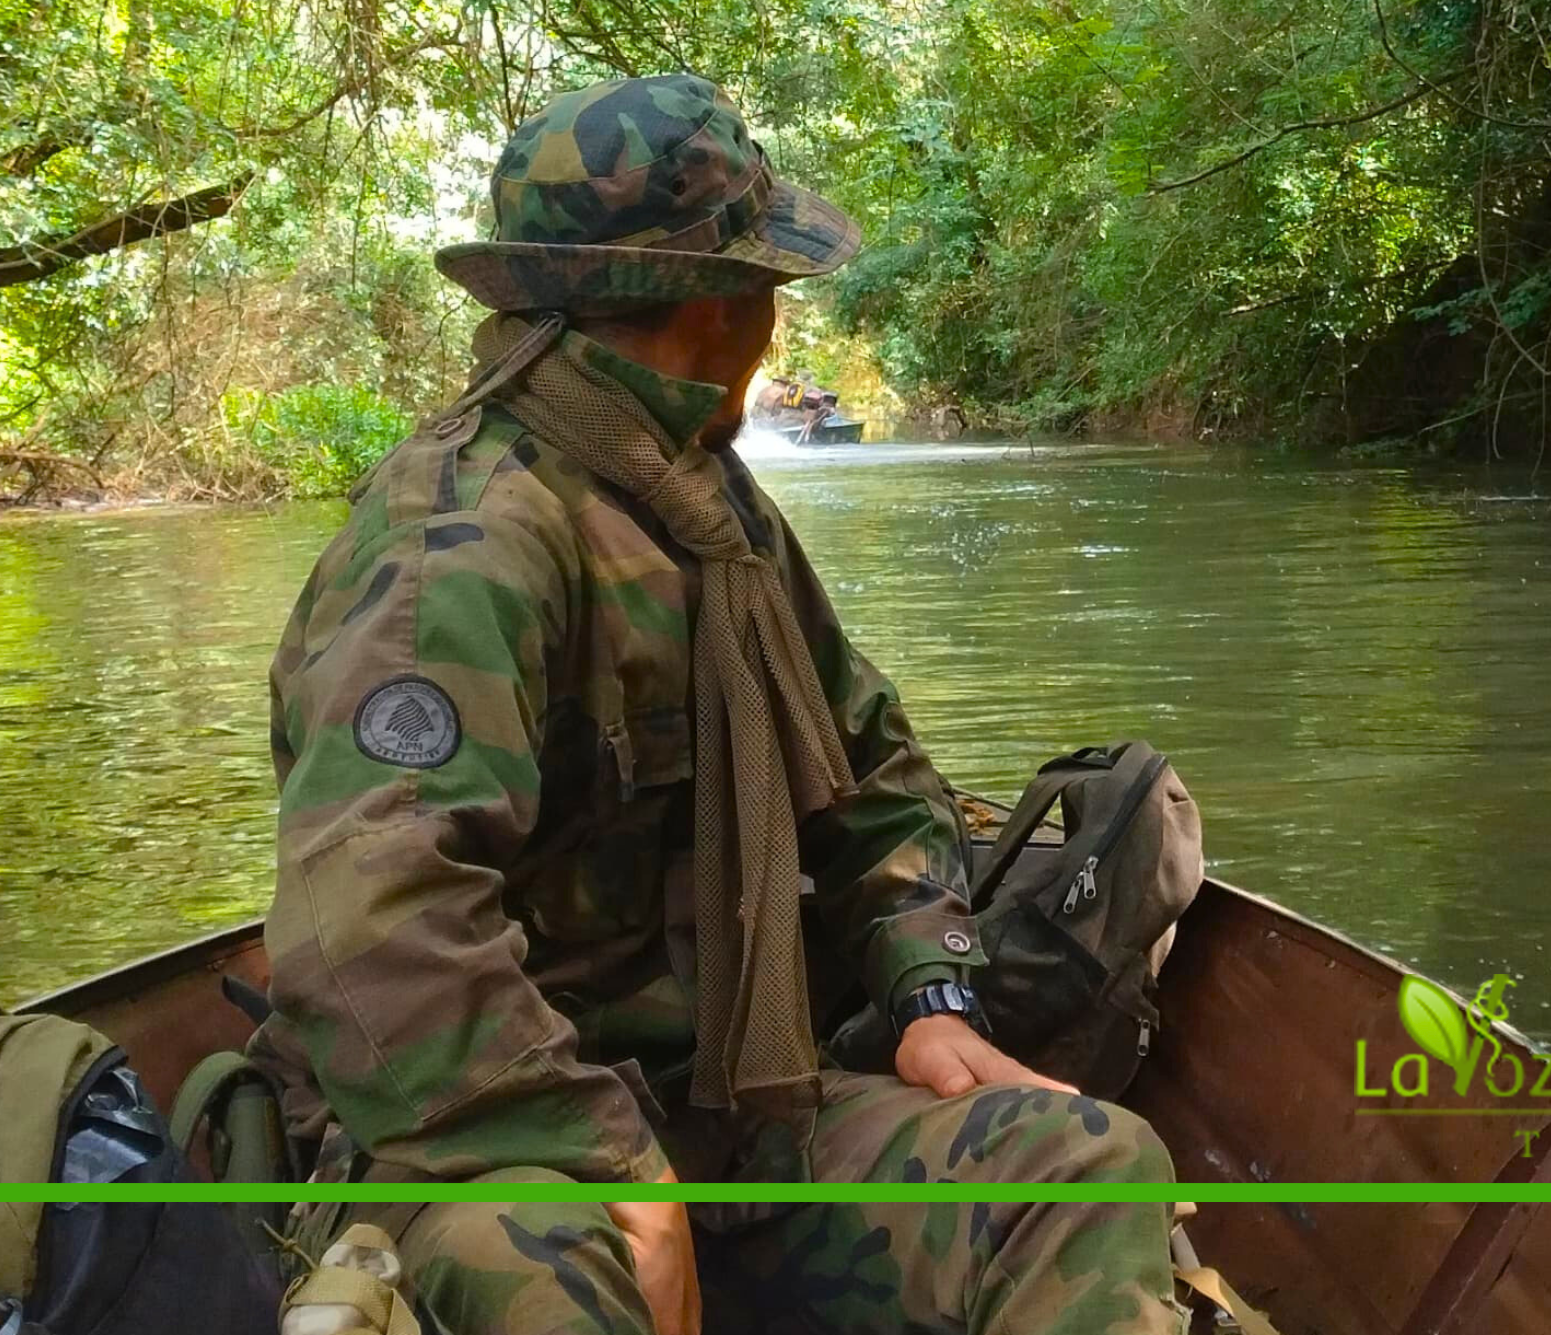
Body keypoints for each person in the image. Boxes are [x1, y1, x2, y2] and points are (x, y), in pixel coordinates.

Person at [247, 73, 1187, 1335]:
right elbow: (367, 920)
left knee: (1085, 1170)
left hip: (733, 1110)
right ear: (716, 305)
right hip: (476, 1141)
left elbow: (870, 772)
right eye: (770, 294)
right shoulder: (458, 551)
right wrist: (610, 1162)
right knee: (540, 1289)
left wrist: (927, 996)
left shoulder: (711, 512)